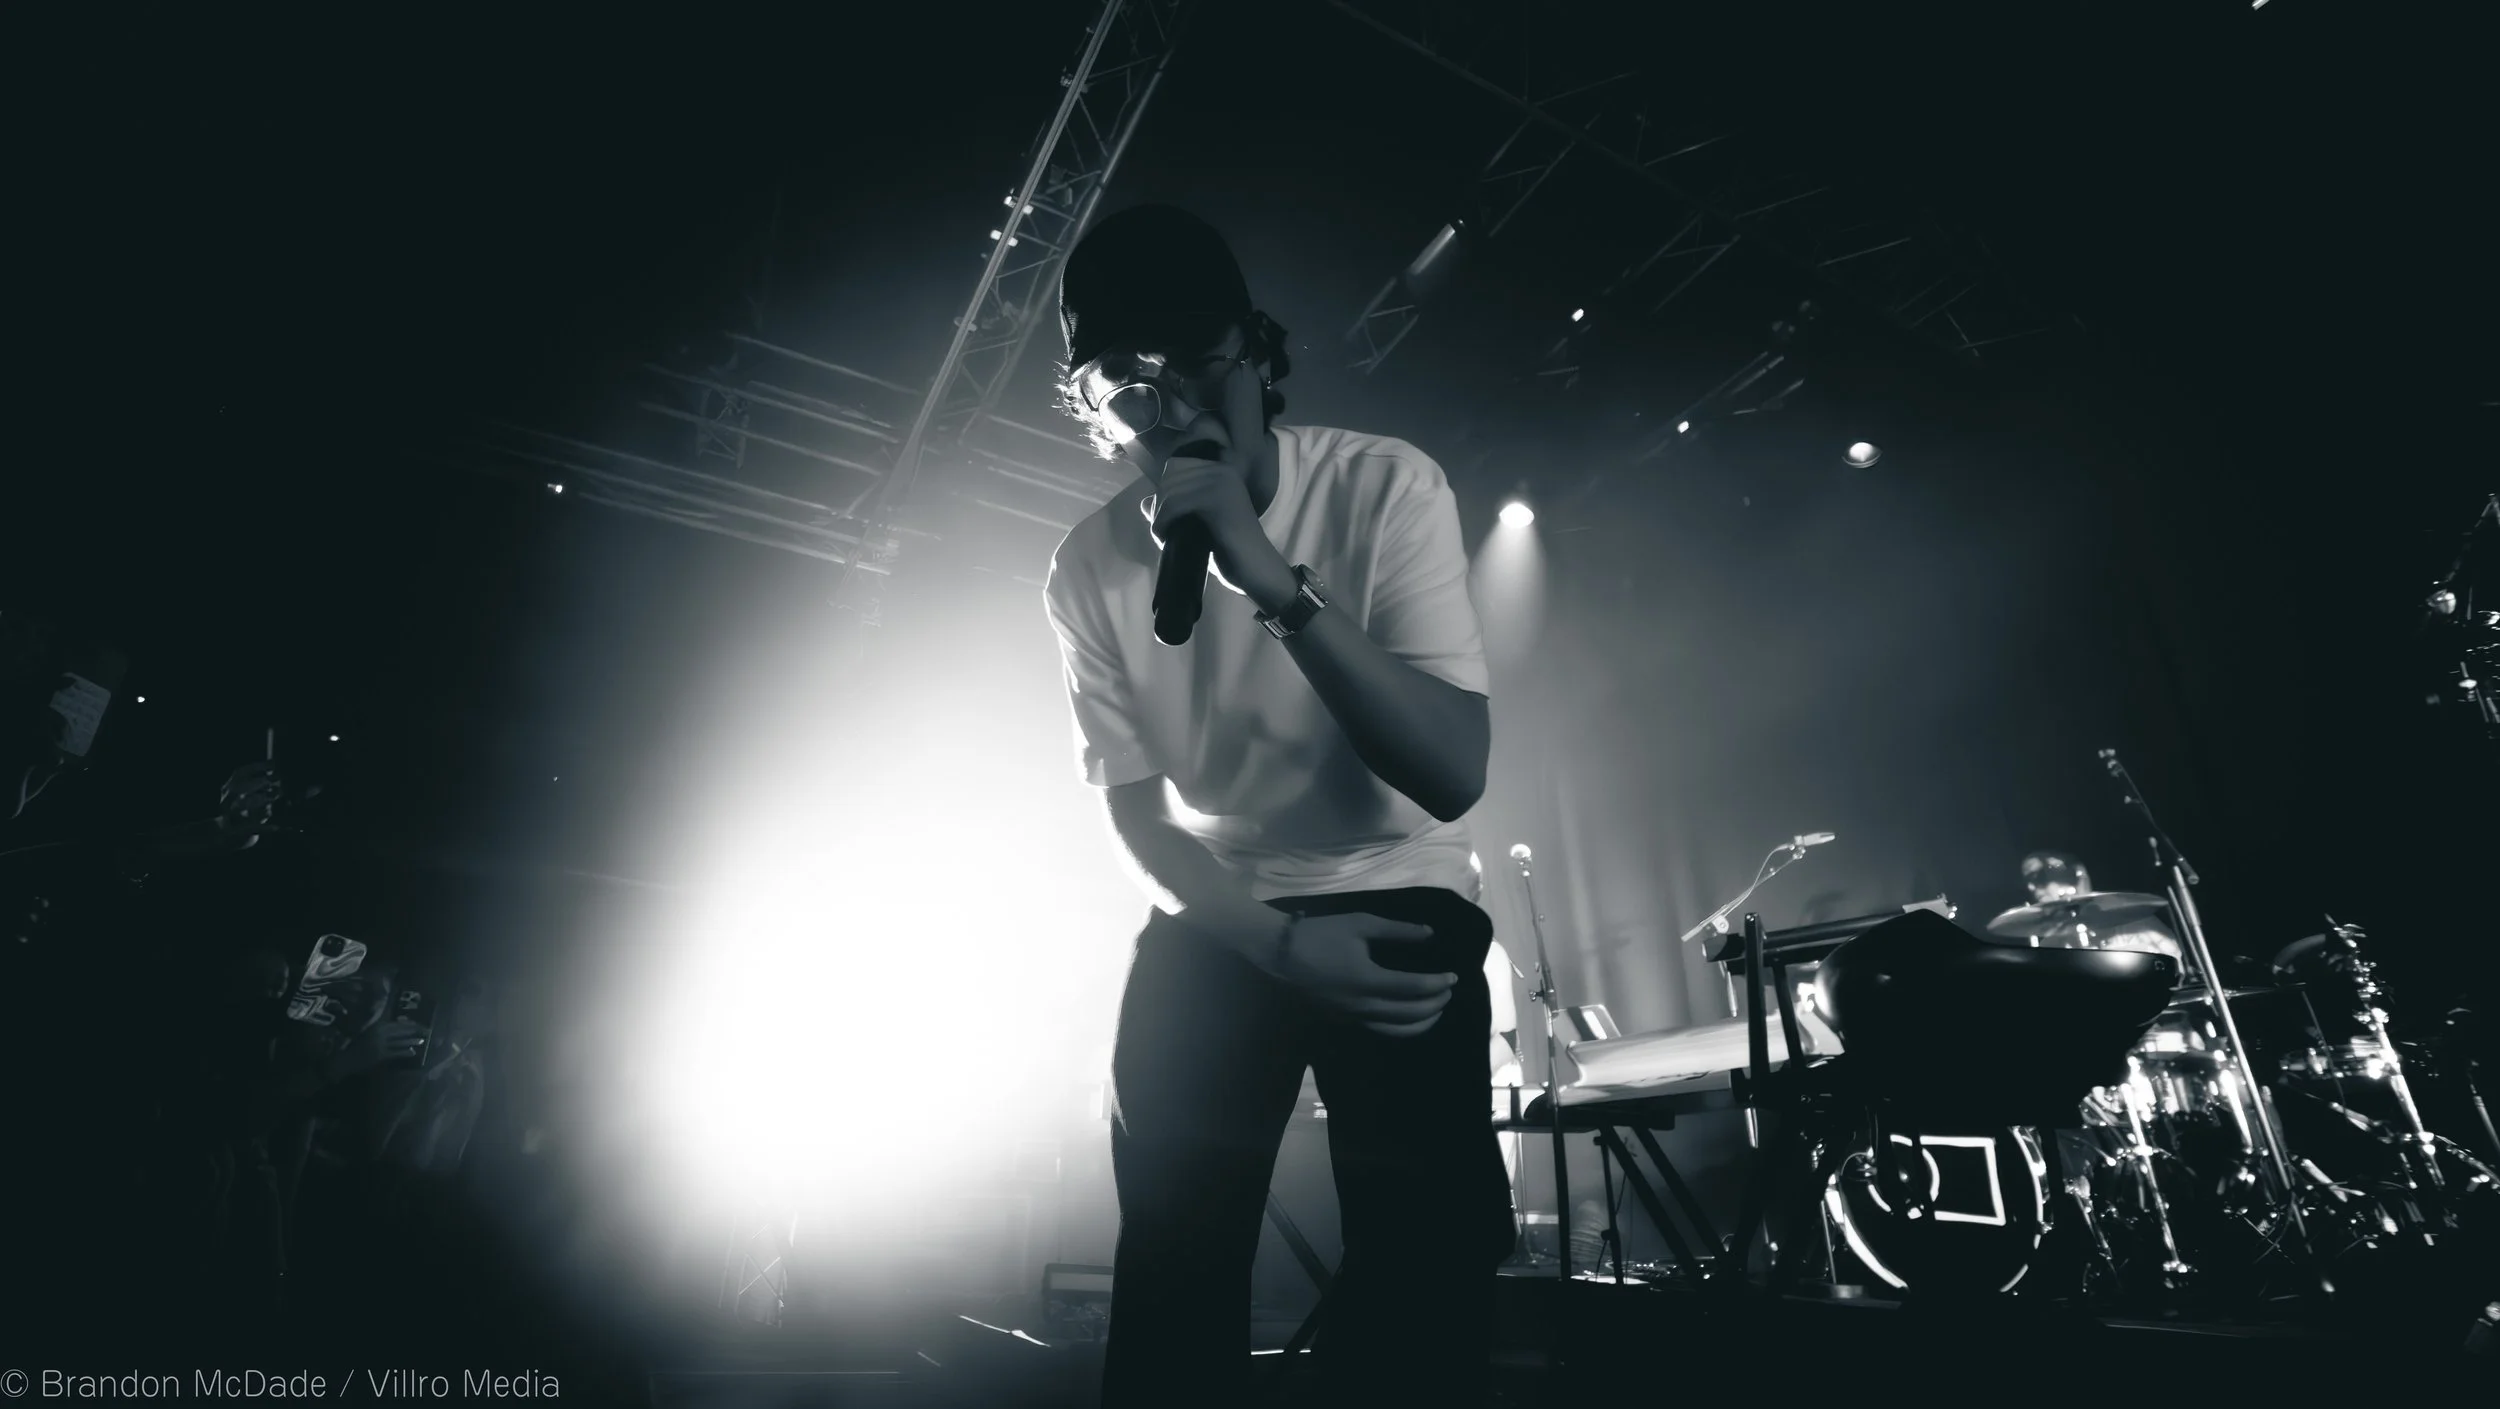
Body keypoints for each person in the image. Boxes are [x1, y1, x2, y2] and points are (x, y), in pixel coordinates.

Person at [1044, 204, 1508, 1408]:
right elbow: (1139, 817)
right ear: (1093, 410)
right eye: (1126, 382)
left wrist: (1268, 575)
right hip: (1222, 909)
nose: (1174, 406)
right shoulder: (1084, 567)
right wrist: (1281, 947)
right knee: (1172, 1252)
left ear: (1255, 353)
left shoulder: (1383, 484)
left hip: (1395, 883)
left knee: (1428, 1255)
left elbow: (1453, 770)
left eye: (1199, 361)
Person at [2013, 850, 2184, 960]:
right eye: (2026, 881)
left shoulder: (2135, 923)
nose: (2031, 887)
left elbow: (2172, 968)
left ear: (2076, 873)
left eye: (2038, 877)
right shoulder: (2050, 947)